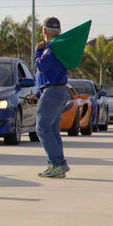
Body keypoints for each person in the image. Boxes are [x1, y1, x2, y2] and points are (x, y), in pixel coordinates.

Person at [34, 17, 70, 178]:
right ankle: (56, 165)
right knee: (53, 130)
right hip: (59, 91)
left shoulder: (51, 47)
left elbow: (42, 65)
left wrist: (37, 51)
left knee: (42, 128)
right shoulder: (60, 46)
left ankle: (57, 164)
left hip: (52, 91)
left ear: (44, 31)